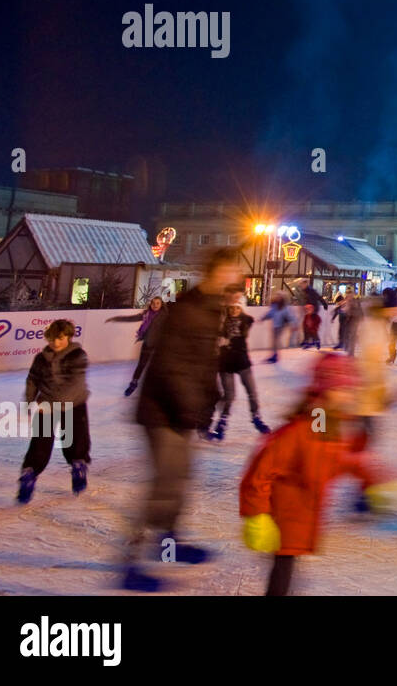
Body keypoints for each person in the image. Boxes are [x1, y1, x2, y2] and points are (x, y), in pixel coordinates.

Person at [123, 247, 242, 592]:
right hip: (163, 410)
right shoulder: (190, 310)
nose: (237, 276)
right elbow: (172, 365)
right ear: (218, 271)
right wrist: (192, 407)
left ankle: (167, 547)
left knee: (178, 481)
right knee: (163, 487)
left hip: (181, 410)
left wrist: (211, 399)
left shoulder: (209, 307)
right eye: (232, 270)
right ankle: (128, 565)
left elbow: (202, 363)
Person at [239, 354, 390, 596]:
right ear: (325, 391)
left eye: (350, 390)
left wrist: (371, 482)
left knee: (287, 567)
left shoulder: (328, 426)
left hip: (302, 514)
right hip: (285, 514)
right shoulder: (301, 430)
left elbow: (342, 460)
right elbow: (260, 471)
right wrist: (257, 515)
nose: (349, 396)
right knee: (283, 568)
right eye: (342, 390)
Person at [18, 319, 90, 503]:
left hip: (74, 404)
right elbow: (33, 379)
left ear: (68, 336)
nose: (55, 343)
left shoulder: (78, 355)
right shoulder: (41, 358)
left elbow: (75, 383)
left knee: (74, 439)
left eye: (59, 338)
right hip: (47, 405)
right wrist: (29, 399)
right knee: (40, 442)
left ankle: (78, 465)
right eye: (51, 339)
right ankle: (29, 474)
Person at [208, 292, 269, 441]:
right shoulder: (222, 323)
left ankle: (256, 417)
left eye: (237, 308)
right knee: (230, 396)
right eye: (231, 308)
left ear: (241, 309)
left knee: (252, 392)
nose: (234, 311)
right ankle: (222, 423)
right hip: (226, 363)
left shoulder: (246, 320)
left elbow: (250, 319)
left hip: (242, 362)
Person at [125, 296, 165, 396]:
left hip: (158, 346)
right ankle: (133, 383)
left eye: (157, 303)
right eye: (153, 303)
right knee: (141, 364)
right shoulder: (146, 314)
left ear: (161, 305)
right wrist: (117, 319)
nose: (155, 305)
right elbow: (133, 318)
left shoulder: (164, 315)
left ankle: (158, 389)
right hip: (147, 344)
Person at [260, 291, 296, 363]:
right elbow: (270, 313)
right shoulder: (274, 306)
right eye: (277, 296)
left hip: (281, 326)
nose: (278, 297)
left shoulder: (285, 307)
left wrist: (293, 324)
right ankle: (274, 355)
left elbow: (290, 316)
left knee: (275, 341)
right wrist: (263, 318)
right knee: (274, 341)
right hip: (274, 325)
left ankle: (275, 355)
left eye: (280, 296)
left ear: (283, 298)